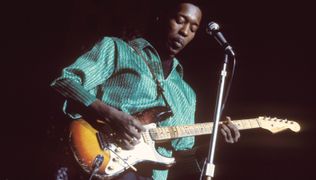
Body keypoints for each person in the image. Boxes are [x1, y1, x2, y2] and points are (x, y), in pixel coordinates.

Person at [51, 1, 240, 179]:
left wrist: (215, 143)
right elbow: (65, 81)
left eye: (193, 29)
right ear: (162, 17)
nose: (184, 32)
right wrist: (111, 115)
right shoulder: (118, 49)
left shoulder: (187, 94)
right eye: (180, 21)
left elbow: (183, 153)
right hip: (104, 159)